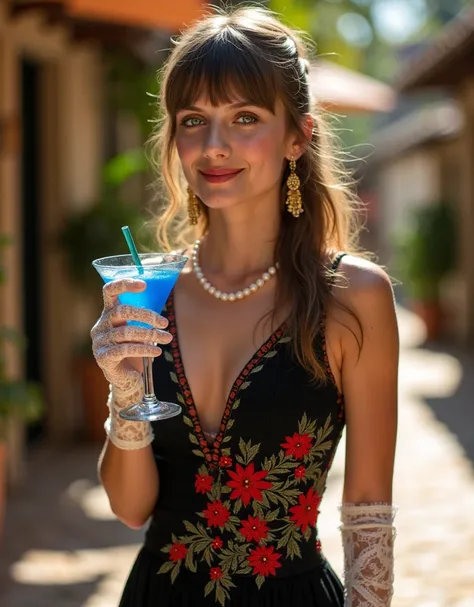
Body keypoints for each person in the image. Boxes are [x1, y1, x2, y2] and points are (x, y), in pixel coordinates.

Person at [91, 6, 398, 607]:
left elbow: (368, 514)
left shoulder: (353, 297)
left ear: (298, 137)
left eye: (245, 118)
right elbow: (131, 510)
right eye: (193, 120)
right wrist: (124, 389)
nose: (213, 145)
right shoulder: (149, 289)